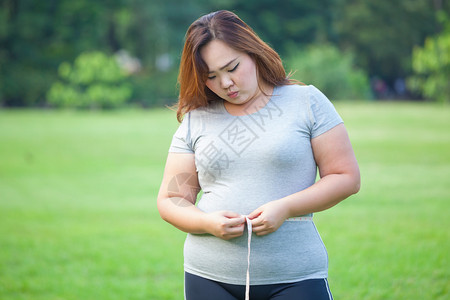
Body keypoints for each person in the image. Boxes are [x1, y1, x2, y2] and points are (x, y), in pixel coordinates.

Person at [157, 10, 360, 300]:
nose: (226, 83)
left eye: (232, 67)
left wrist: (286, 208)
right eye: (211, 76)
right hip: (208, 278)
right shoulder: (197, 119)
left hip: (295, 277)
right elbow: (172, 199)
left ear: (252, 52)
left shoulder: (306, 102)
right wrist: (207, 223)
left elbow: (346, 177)